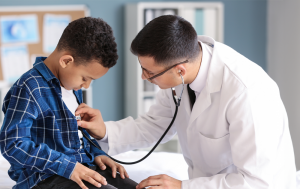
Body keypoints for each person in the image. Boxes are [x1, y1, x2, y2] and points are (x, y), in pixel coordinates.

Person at [75, 15, 297, 189]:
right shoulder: (181, 71)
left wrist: (183, 186)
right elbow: (154, 124)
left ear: (180, 70)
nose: (144, 77)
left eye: (149, 72)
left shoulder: (246, 93)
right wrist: (104, 131)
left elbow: (258, 183)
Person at [0, 17, 140, 189]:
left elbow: (75, 137)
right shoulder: (29, 86)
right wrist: (68, 167)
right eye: (85, 78)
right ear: (66, 61)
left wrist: (96, 153)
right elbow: (13, 145)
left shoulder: (71, 84)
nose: (86, 86)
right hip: (46, 176)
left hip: (81, 166)